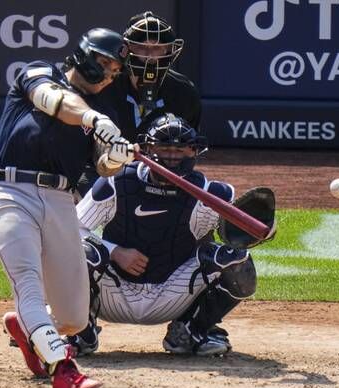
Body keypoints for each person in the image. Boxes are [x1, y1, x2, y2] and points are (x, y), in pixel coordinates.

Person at [0, 27, 137, 388]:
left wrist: (114, 159)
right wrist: (93, 121)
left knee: (73, 317)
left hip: (61, 201)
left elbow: (101, 166)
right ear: (85, 55)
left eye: (116, 71)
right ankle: (64, 371)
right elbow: (54, 102)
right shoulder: (39, 73)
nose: (109, 75)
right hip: (11, 192)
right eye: (106, 64)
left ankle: (28, 331)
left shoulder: (107, 111)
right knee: (28, 285)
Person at [69, 113, 262, 356]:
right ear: (148, 149)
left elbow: (239, 236)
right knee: (82, 251)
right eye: (164, 148)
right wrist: (115, 252)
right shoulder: (116, 183)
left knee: (236, 258)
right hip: (113, 292)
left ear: (193, 152)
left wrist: (261, 230)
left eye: (180, 149)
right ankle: (81, 331)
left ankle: (192, 331)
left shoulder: (211, 194)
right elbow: (72, 228)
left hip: (172, 293)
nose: (172, 156)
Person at [76, 11, 201, 196]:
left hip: (158, 176)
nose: (150, 56)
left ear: (169, 50)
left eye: (157, 48)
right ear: (127, 49)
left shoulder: (184, 92)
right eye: (142, 48)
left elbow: (188, 151)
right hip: (99, 170)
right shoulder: (105, 84)